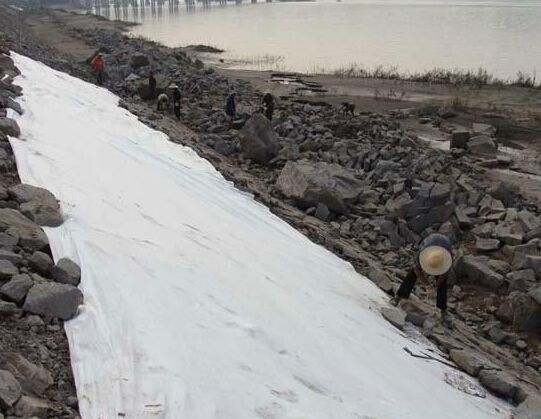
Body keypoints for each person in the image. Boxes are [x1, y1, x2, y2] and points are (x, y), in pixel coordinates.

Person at [392, 233, 453, 324]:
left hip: (444, 245)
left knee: (442, 284)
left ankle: (443, 310)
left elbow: (445, 274)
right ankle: (398, 297)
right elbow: (416, 270)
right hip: (430, 242)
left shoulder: (447, 258)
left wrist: (436, 286)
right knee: (412, 275)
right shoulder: (423, 252)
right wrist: (427, 285)